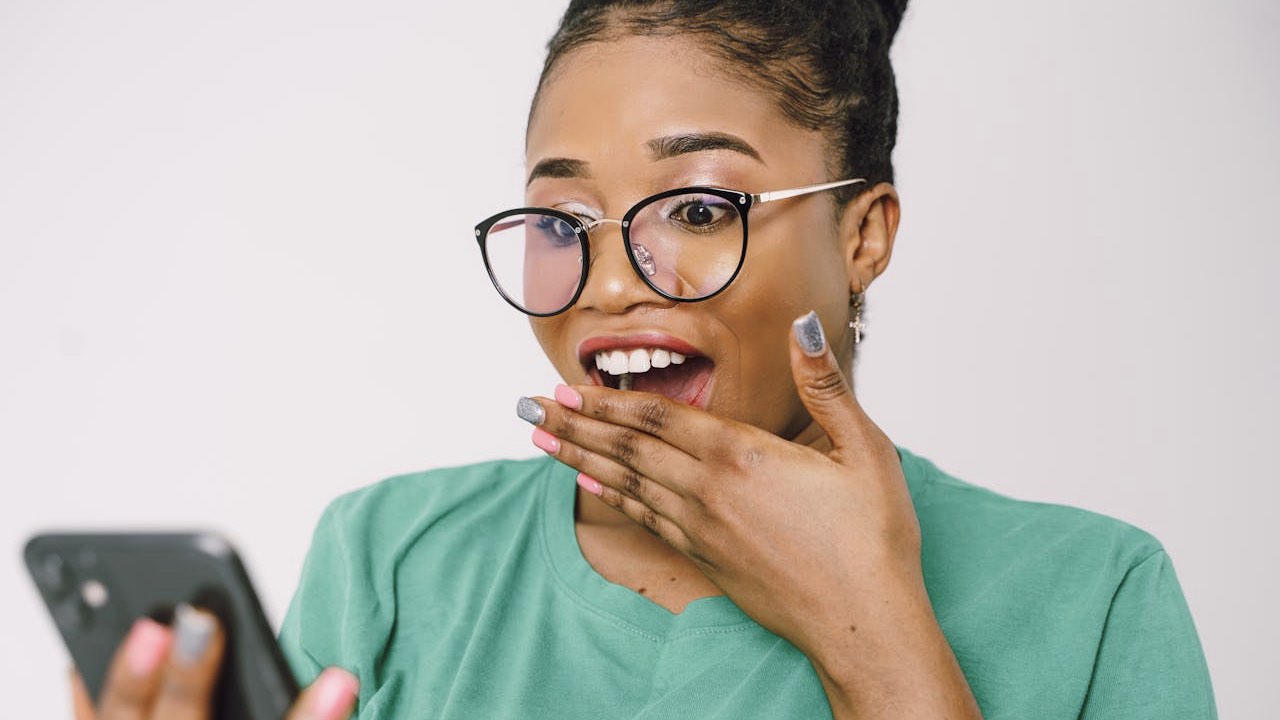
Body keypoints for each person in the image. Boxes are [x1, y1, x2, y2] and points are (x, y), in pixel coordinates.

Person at [73, 1, 1217, 718]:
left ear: (861, 234)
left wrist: (868, 632)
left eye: (699, 208)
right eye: (562, 223)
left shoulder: (1095, 594)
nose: (610, 283)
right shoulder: (388, 558)